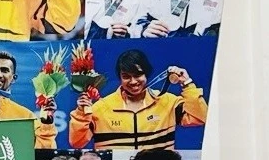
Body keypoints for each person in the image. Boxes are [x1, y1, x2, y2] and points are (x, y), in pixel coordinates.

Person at [68, 48, 207, 152]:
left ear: (147, 74)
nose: (133, 81)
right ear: (120, 78)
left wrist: (187, 83)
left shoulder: (167, 101)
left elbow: (200, 118)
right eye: (126, 76)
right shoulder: (101, 108)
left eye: (138, 75)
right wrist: (81, 114)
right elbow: (77, 143)